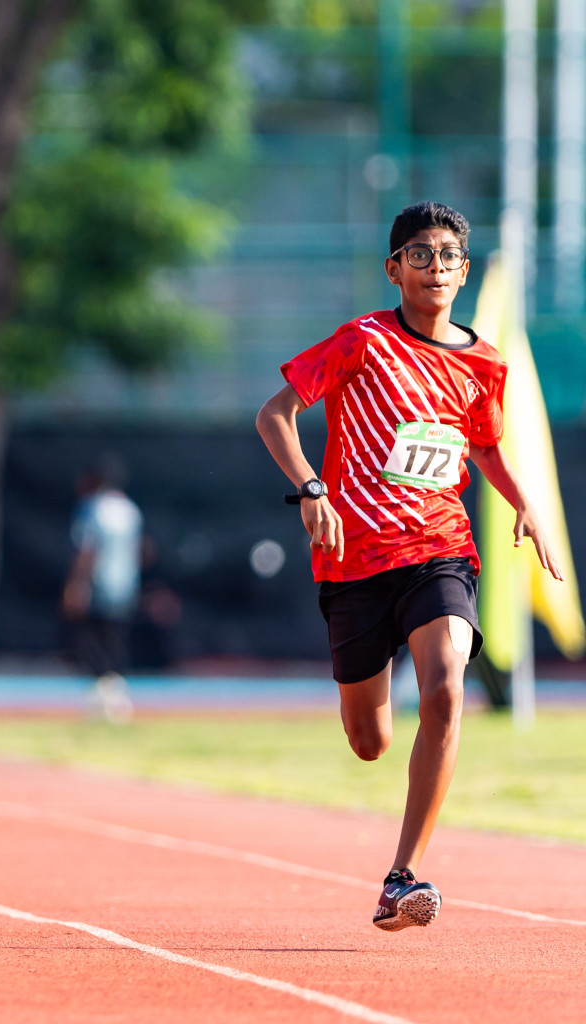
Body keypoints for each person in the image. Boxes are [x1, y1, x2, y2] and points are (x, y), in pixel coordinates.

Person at [256, 201, 562, 931]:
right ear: (394, 269)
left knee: (449, 692)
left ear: (464, 270)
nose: (434, 267)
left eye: (447, 256)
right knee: (369, 742)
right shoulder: (362, 341)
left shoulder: (484, 362)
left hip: (440, 553)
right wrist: (310, 489)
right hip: (353, 561)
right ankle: (378, 693)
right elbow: (275, 414)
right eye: (418, 255)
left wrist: (523, 502)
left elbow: (483, 444)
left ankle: (402, 878)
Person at [61, 454, 142, 723]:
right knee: (115, 641)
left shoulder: (93, 508)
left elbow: (86, 550)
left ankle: (103, 697)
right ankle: (115, 695)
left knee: (91, 641)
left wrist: (76, 584)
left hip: (97, 585)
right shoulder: (130, 510)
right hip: (125, 585)